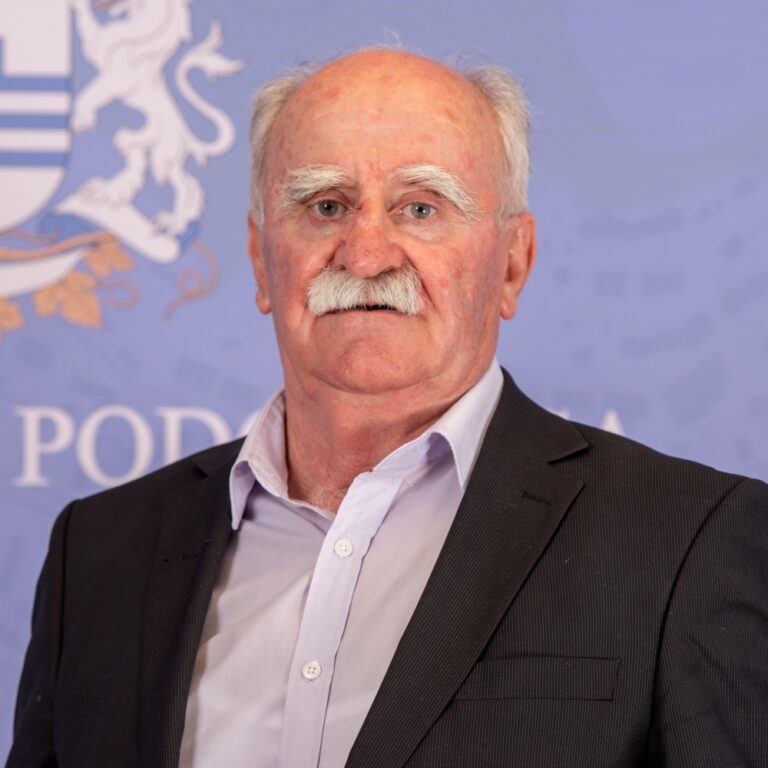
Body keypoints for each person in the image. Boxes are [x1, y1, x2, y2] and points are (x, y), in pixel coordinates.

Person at [7, 48, 768, 768]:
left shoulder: (687, 544)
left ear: (513, 262)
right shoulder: (100, 553)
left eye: (421, 208)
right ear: (260, 259)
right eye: (325, 204)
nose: (366, 253)